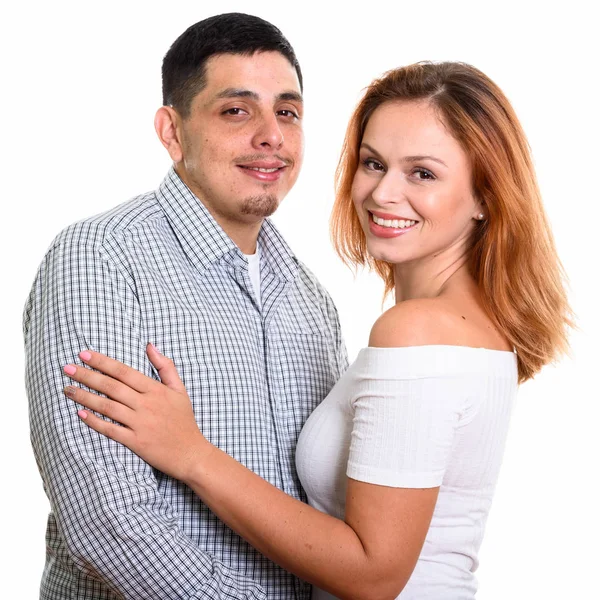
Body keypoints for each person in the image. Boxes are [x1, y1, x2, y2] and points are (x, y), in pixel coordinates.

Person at [61, 61, 572, 599]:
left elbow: (374, 574)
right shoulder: (470, 326)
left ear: (486, 197)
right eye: (373, 164)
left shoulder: (418, 330)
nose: (383, 194)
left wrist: (192, 454)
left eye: (422, 173)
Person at [23, 13, 347, 600]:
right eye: (237, 110)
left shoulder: (313, 301)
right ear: (172, 132)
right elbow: (107, 524)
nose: (272, 135)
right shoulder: (101, 258)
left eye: (288, 112)